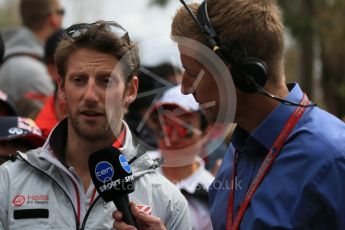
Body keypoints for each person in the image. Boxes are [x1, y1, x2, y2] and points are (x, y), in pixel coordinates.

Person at [170, 0, 345, 229]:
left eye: (192, 73)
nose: (184, 88)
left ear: (237, 73)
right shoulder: (236, 152)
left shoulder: (334, 159)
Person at [0, 20, 191, 229]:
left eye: (106, 81)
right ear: (61, 87)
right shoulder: (9, 182)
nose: (90, 96)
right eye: (79, 80)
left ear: (131, 90)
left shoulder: (167, 199)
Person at [149, 85, 214, 230]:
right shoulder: (134, 169)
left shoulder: (213, 193)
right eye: (165, 129)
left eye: (185, 129)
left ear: (205, 132)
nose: (172, 138)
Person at [0, 0, 64, 101]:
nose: (63, 17)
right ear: (53, 18)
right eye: (61, 11)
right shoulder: (33, 71)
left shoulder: (11, 53)